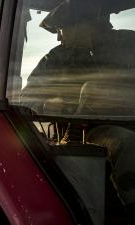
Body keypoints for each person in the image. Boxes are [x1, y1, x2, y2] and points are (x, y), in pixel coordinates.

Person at [20, 0, 135, 221]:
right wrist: (47, 104)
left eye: (62, 29)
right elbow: (26, 99)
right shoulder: (54, 59)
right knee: (127, 143)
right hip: (89, 131)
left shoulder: (128, 44)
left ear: (86, 24)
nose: (59, 37)